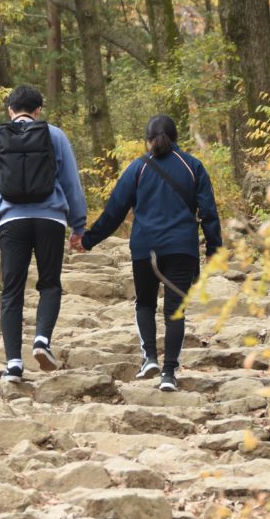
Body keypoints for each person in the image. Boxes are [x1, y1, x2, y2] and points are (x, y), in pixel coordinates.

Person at [78, 115, 222, 391]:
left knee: (145, 304)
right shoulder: (193, 166)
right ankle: (169, 374)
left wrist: (88, 240)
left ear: (148, 140)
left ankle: (151, 359)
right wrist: (214, 250)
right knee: (174, 311)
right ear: (176, 137)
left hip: (146, 249)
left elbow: (114, 211)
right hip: (182, 249)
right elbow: (209, 212)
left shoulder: (137, 168)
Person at [0, 85, 88, 382]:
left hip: (12, 222)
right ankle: (42, 341)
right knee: (49, 284)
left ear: (10, 110)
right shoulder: (55, 136)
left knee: (11, 291)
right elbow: (72, 183)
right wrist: (78, 225)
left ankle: (13, 365)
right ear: (38, 111)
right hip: (51, 221)